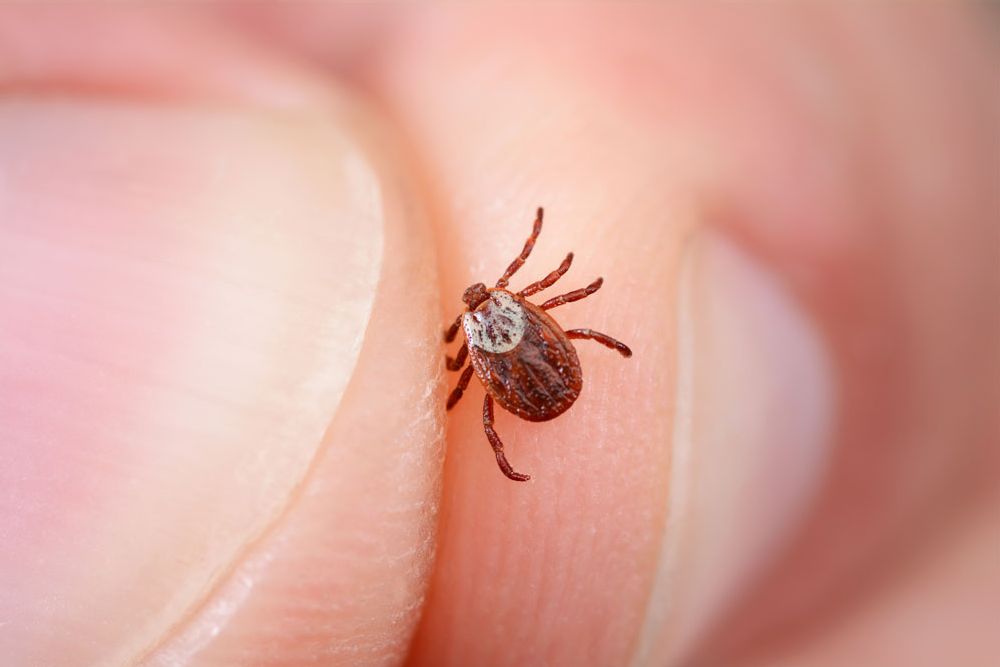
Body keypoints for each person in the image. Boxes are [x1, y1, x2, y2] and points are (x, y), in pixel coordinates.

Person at [1, 5, 996, 666]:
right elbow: (554, 282)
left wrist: (498, 393)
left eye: (495, 305)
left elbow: (514, 339)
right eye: (490, 310)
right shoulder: (512, 317)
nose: (491, 303)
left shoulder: (481, 341)